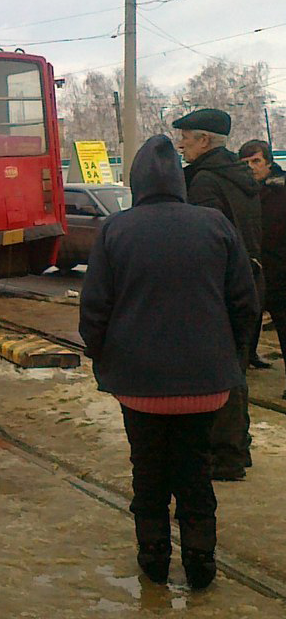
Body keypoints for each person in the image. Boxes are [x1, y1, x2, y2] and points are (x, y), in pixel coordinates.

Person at [80, 134, 258, 590]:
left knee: (148, 470)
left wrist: (105, 360)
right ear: (178, 180)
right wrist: (228, 358)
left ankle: (154, 556)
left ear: (137, 182)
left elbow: (94, 310)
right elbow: (245, 304)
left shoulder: (115, 230)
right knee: (195, 468)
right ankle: (201, 560)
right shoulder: (215, 224)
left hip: (138, 384)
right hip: (207, 382)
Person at [173, 108, 261, 480]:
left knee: (216, 375)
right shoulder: (238, 176)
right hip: (248, 282)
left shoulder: (205, 183)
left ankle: (224, 456)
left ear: (205, 141)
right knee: (234, 369)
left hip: (218, 288)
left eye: (187, 138)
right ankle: (236, 448)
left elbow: (206, 244)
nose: (182, 145)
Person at [239, 139, 286, 387]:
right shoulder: (243, 192)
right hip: (253, 270)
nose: (251, 167)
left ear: (268, 162)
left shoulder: (280, 191)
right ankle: (248, 360)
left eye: (256, 161)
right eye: (245, 163)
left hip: (280, 271)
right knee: (249, 321)